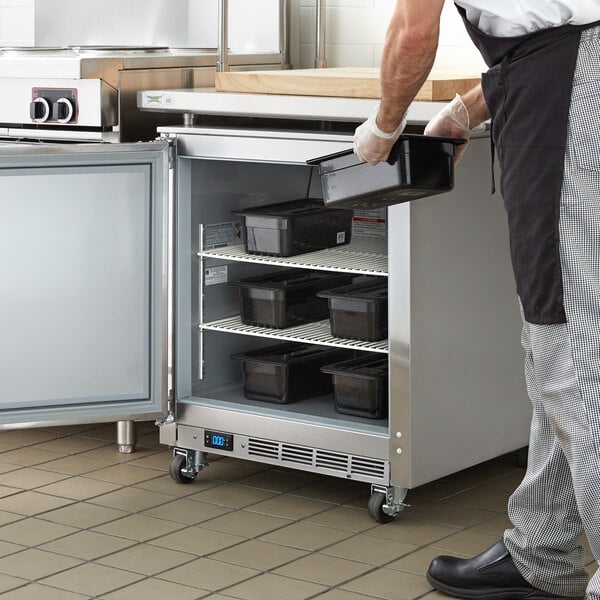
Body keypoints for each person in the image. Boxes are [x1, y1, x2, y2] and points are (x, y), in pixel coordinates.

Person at [353, 2, 600, 600]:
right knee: (557, 340)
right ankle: (544, 550)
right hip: (560, 79)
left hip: (574, 94)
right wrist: (468, 107)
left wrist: (384, 126)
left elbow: (413, 32)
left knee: (571, 348)